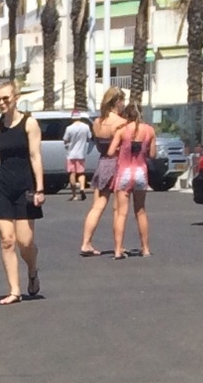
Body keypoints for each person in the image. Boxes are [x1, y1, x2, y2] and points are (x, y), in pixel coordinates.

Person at [0, 82, 45, 304]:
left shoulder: (29, 124)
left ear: (16, 97)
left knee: (25, 241)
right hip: (2, 188)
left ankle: (32, 269)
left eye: (5, 98)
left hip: (25, 187)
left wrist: (40, 188)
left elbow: (35, 156)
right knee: (7, 240)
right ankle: (14, 290)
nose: (2, 103)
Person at [77, 88, 129, 256]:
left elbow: (100, 146)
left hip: (103, 162)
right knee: (118, 209)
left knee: (97, 206)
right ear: (117, 101)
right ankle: (118, 246)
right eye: (123, 101)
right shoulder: (120, 122)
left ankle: (86, 243)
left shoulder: (97, 122)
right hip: (118, 163)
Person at [107, 101, 159, 258]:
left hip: (124, 172)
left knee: (122, 213)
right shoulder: (149, 130)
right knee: (141, 211)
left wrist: (119, 150)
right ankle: (146, 248)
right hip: (140, 173)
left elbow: (109, 152)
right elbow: (152, 155)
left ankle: (117, 249)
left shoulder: (122, 131)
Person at [61, 108, 93, 203]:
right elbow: (90, 137)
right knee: (81, 173)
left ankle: (74, 194)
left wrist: (67, 146)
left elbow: (65, 140)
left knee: (72, 173)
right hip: (81, 154)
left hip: (71, 154)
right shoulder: (86, 127)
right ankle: (82, 188)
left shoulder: (69, 128)